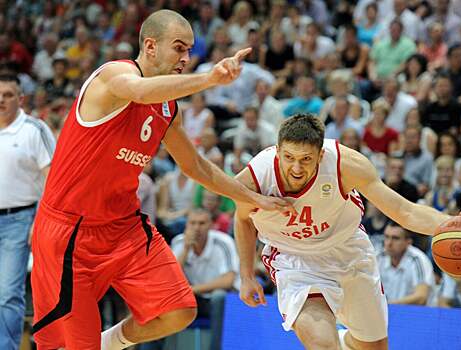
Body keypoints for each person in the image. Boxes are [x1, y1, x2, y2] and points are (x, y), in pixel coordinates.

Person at [30, 10, 292, 350]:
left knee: (179, 310)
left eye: (190, 50)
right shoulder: (114, 75)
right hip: (70, 234)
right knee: (63, 345)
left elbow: (197, 166)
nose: (186, 58)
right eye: (179, 49)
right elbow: (137, 91)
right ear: (150, 46)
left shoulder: (169, 108)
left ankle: (107, 343)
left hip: (123, 228)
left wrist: (252, 198)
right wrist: (208, 79)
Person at [233, 114, 461, 350]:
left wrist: (450, 224)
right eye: (288, 157)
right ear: (277, 151)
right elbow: (243, 219)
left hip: (349, 252)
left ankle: (345, 341)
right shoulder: (255, 178)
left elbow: (404, 211)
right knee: (322, 345)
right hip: (296, 262)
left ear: (320, 155)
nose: (296, 168)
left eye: (306, 159)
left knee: (374, 347)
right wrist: (246, 275)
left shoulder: (345, 165)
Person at [0, 75, 55, 350]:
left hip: (21, 219)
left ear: (20, 99)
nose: (1, 100)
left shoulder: (34, 129)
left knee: (8, 292)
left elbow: (53, 178)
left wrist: (40, 220)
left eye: (8, 95)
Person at [171, 209, 239, 350]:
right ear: (186, 225)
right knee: (165, 299)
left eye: (202, 223)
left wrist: (192, 290)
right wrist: (185, 250)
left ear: (211, 225)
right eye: (192, 223)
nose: (196, 227)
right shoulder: (178, 243)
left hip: (217, 300)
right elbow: (169, 280)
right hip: (191, 300)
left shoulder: (223, 242)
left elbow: (228, 281)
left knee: (218, 296)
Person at [377, 222, 435, 305]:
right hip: (389, 312)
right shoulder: (379, 257)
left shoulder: (417, 259)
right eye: (386, 237)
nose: (389, 243)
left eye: (395, 238)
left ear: (408, 242)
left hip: (417, 314)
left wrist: (387, 305)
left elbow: (421, 297)